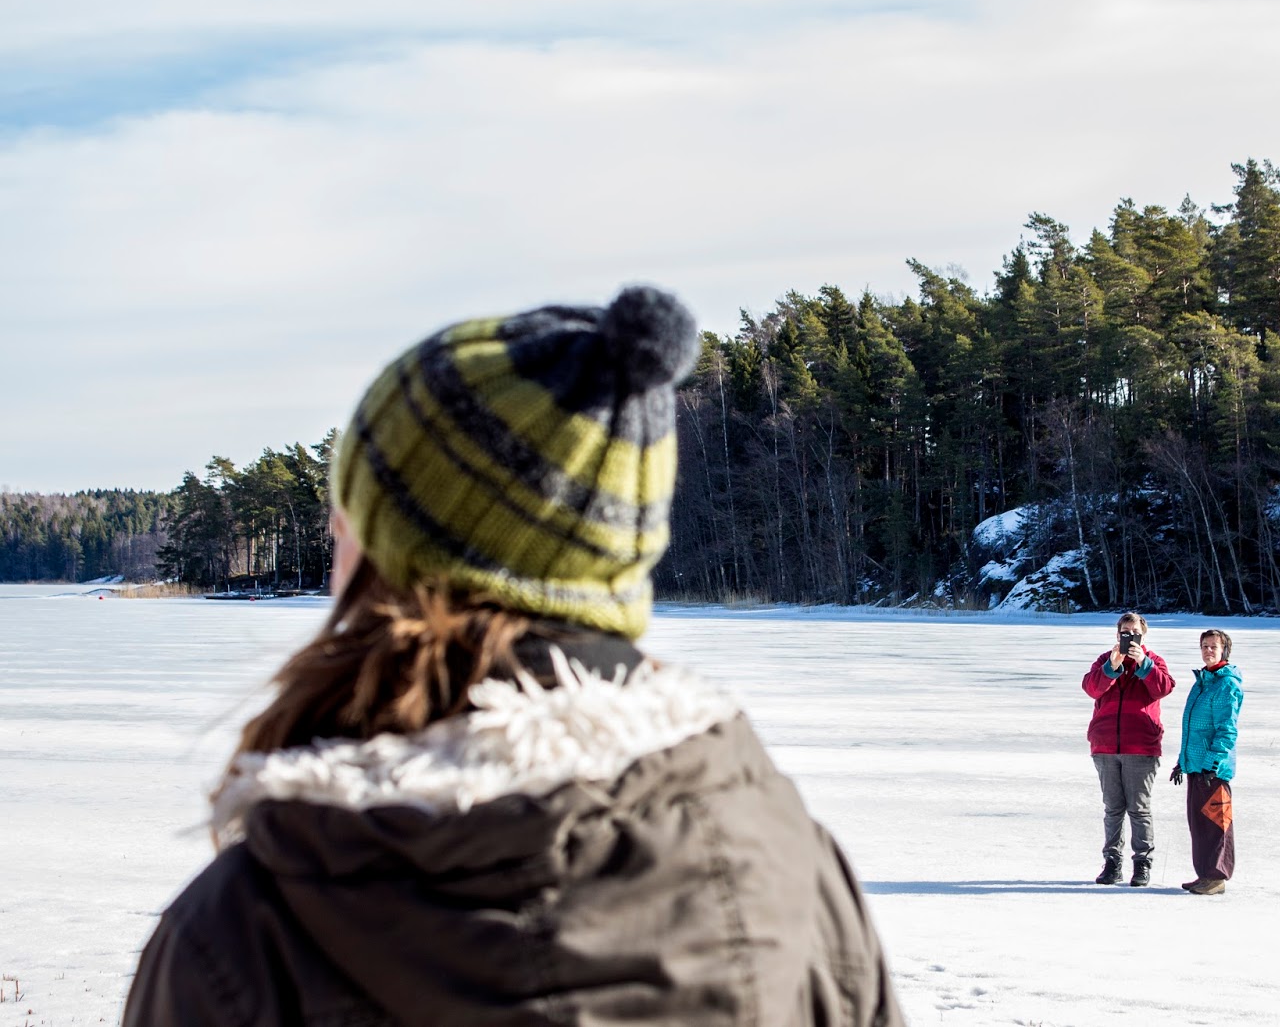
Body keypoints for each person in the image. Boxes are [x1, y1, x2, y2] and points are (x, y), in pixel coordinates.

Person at [124, 287, 905, 1027]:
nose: (334, 549)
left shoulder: (250, 935)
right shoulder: (792, 868)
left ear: (402, 560)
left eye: (346, 523)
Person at [1081, 611, 1174, 887]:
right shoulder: (1105, 660)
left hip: (1141, 746)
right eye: (1125, 633)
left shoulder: (1153, 661)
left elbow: (1163, 688)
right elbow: (1091, 688)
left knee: (1139, 809)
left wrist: (1143, 663)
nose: (1130, 638)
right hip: (1106, 745)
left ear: (1143, 636)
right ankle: (1112, 862)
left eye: (1135, 634)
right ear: (1117, 634)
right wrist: (1112, 666)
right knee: (1113, 809)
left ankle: (1142, 863)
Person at [1169, 627, 1244, 896]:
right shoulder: (1202, 682)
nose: (1208, 650)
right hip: (1196, 766)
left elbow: (1227, 730)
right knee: (1199, 826)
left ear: (1224, 650)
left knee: (1216, 824)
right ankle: (1205, 875)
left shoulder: (1227, 684)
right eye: (1204, 646)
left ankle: (1216, 877)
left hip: (1214, 770)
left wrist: (1213, 762)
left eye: (1214, 646)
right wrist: (1183, 762)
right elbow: (1193, 729)